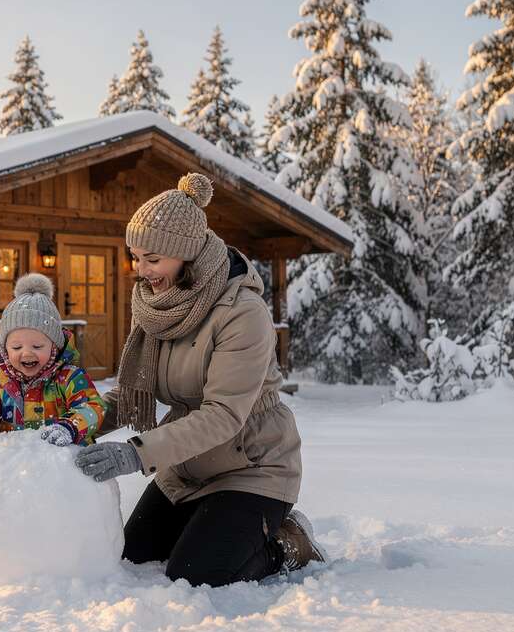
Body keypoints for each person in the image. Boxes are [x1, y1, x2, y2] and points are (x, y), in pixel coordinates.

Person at [73, 173, 327, 587]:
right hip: (188, 467)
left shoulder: (242, 312)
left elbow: (224, 415)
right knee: (132, 558)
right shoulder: (160, 307)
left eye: (152, 259)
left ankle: (288, 541)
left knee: (197, 575)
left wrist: (135, 454)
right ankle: (210, 524)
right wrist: (75, 426)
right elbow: (133, 395)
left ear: (186, 255)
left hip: (252, 467)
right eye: (135, 257)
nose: (141, 271)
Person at [0, 273, 105, 445]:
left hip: (62, 463)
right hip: (17, 461)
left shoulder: (69, 378)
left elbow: (93, 407)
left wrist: (69, 427)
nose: (27, 353)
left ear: (54, 346)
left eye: (37, 346)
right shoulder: (0, 380)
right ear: (5, 348)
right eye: (16, 347)